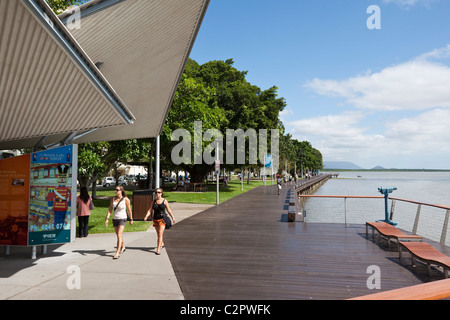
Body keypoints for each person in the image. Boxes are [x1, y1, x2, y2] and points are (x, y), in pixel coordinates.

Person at [144, 188, 175, 255]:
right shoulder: (153, 201)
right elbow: (150, 210)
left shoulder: (164, 201)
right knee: (158, 234)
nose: (157, 194)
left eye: (158, 192)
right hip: (155, 219)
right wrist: (146, 216)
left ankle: (158, 249)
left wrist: (173, 217)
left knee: (160, 234)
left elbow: (168, 209)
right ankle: (162, 243)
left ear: (161, 193)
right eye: (156, 192)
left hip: (162, 219)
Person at [105, 186, 133, 259]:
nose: (116, 191)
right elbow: (110, 209)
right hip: (115, 219)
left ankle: (117, 252)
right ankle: (123, 246)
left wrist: (131, 219)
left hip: (122, 218)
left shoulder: (126, 199)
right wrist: (107, 219)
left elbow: (129, 210)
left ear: (121, 191)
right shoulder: (113, 199)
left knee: (119, 235)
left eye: (117, 190)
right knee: (118, 235)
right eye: (115, 190)